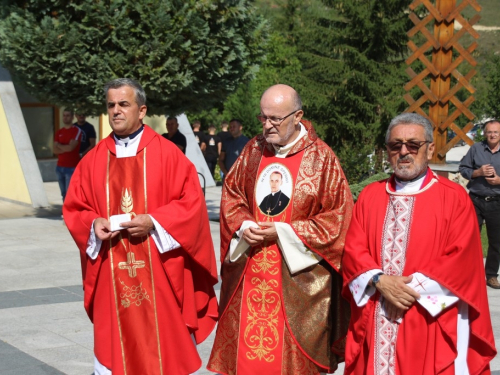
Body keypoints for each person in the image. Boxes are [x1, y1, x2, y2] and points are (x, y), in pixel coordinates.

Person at [63, 78, 218, 375]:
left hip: (160, 271)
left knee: (162, 353)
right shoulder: (92, 160)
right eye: (111, 105)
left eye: (124, 104)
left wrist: (155, 221)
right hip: (111, 272)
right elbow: (75, 208)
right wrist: (93, 223)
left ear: (142, 109)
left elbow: (192, 206)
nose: (116, 111)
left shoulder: (169, 155)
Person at [208, 84, 353, 374]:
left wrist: (283, 231)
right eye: (263, 118)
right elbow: (232, 197)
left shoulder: (322, 159)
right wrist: (243, 225)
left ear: (297, 115)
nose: (267, 126)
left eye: (275, 119)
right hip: (250, 279)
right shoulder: (252, 150)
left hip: (299, 285)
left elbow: (337, 219)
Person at [342, 113, 496, 375]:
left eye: (413, 145)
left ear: (430, 148)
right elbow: (353, 250)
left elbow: (462, 260)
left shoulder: (453, 197)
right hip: (376, 309)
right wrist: (381, 281)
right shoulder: (370, 195)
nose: (404, 152)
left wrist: (402, 291)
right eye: (395, 145)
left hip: (427, 315)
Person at [459, 119, 500, 289]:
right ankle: (468, 275)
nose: (492, 135)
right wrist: (478, 172)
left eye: (496, 132)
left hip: (497, 202)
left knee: (496, 242)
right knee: (469, 239)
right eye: (489, 131)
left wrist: (499, 180)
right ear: (485, 133)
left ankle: (491, 275)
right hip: (475, 200)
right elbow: (463, 168)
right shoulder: (476, 148)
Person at [53, 110, 82, 202]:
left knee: (70, 192)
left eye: (68, 115)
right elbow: (54, 150)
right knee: (63, 193)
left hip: (71, 167)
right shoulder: (59, 132)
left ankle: (69, 213)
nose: (65, 117)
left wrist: (59, 146)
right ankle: (66, 211)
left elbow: (70, 148)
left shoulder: (76, 131)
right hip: (59, 167)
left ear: (72, 117)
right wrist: (64, 147)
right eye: (64, 115)